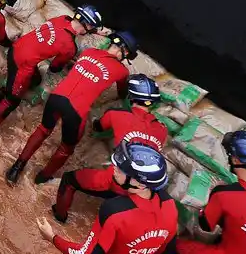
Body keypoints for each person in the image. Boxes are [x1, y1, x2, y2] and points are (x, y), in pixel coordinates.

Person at [6, 31, 138, 185]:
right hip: (76, 110)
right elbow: (122, 92)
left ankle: (16, 168)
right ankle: (42, 178)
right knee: (66, 148)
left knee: (43, 130)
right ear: (126, 52)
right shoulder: (122, 71)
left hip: (55, 98)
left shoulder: (89, 52)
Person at [38, 141, 177, 254]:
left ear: (140, 184)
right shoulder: (170, 205)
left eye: (122, 169)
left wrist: (52, 237)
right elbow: (164, 250)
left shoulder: (115, 210)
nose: (114, 168)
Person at [51, 74, 167, 223]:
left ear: (130, 96)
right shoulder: (162, 129)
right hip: (143, 190)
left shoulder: (116, 114)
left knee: (68, 179)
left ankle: (59, 216)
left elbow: (98, 127)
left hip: (116, 183)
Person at [0, 5, 102, 135]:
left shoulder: (62, 19)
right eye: (91, 28)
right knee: (12, 101)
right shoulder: (70, 47)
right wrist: (70, 63)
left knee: (35, 79)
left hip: (16, 49)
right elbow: (55, 67)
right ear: (87, 26)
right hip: (22, 64)